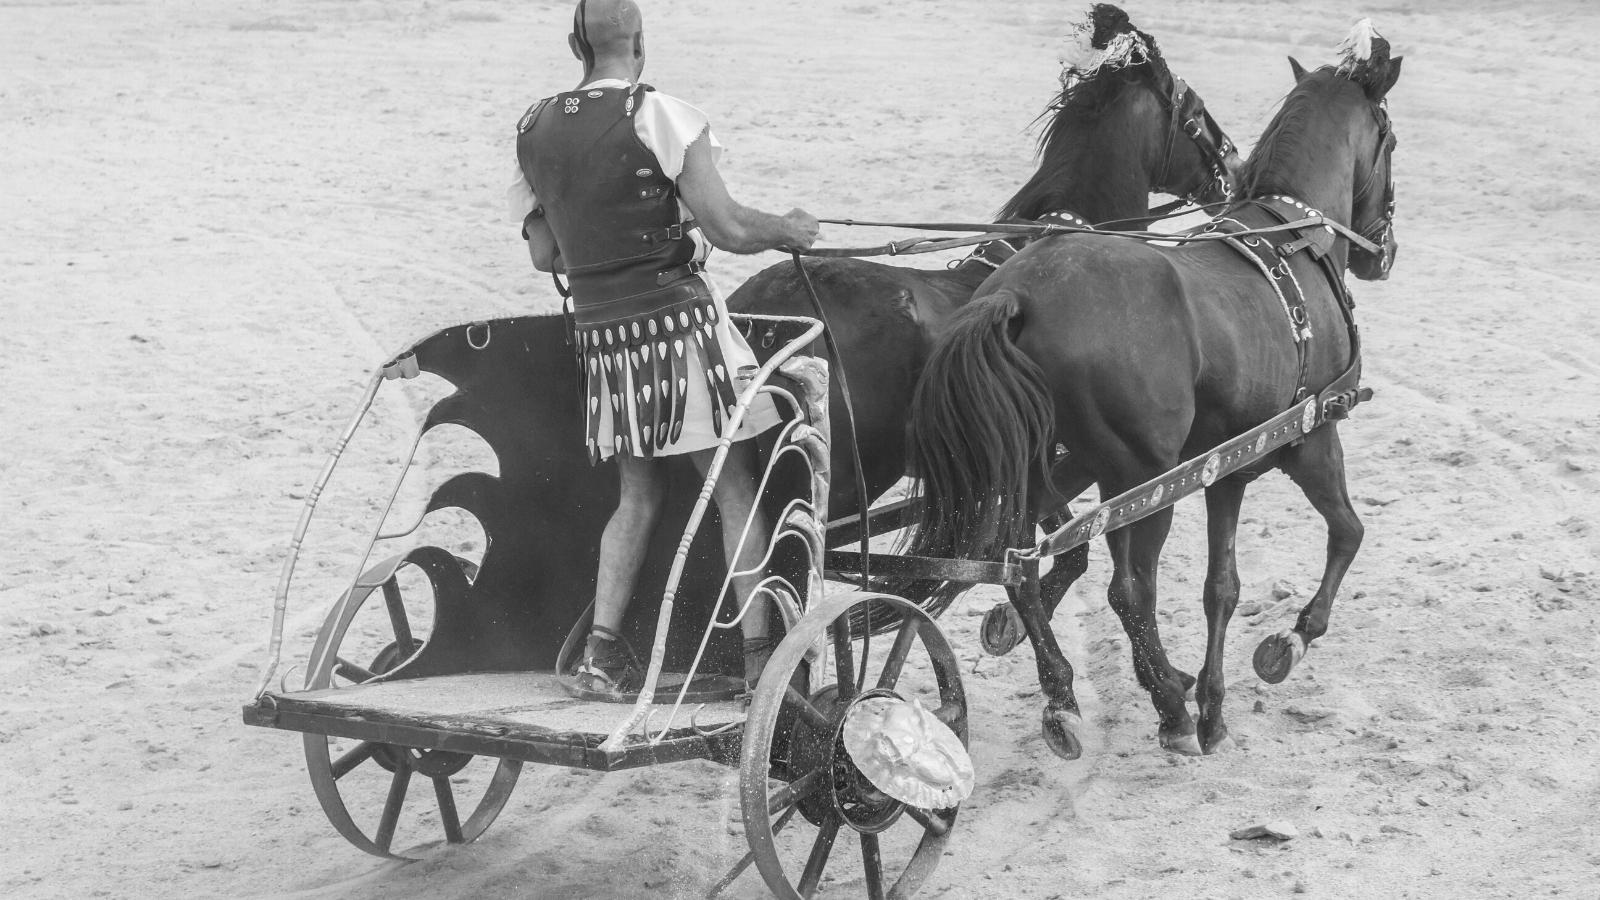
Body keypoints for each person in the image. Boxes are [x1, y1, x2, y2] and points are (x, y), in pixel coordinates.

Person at [509, 0, 820, 698]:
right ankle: (757, 659)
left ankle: (601, 653)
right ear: (641, 42)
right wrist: (789, 228)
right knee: (733, 481)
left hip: (605, 343)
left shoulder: (534, 130)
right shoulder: (665, 116)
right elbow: (731, 227)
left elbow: (543, 254)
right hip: (678, 334)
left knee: (638, 493)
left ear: (574, 45)